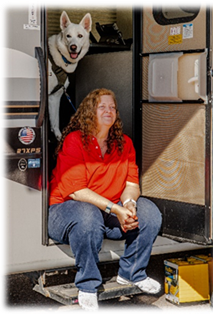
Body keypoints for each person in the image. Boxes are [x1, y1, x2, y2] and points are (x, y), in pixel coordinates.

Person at [48, 88, 162, 312]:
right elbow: (77, 191)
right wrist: (116, 210)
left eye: (112, 107)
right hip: (65, 212)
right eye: (102, 107)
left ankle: (131, 273)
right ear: (91, 112)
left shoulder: (124, 143)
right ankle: (88, 284)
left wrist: (129, 206)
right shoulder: (74, 141)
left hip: (107, 214)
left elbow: (131, 184)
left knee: (149, 213)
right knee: (87, 214)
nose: (108, 111)